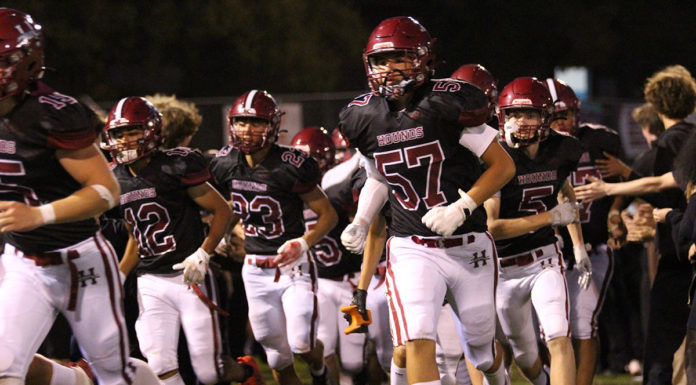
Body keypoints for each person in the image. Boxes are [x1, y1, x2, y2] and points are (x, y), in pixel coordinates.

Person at [338, 16, 515, 385]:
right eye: (380, 60)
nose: (388, 69)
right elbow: (378, 176)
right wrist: (361, 219)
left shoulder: (449, 102)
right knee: (417, 337)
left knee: (481, 351)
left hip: (468, 243)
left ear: (423, 59)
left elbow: (503, 166)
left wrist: (462, 206)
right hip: (411, 245)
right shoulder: (363, 116)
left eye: (399, 58)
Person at [0, 8, 162, 385]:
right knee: (4, 368)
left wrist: (37, 215)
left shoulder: (52, 113)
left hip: (80, 261)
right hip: (24, 261)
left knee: (112, 371)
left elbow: (106, 192)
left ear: (29, 62)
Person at [102, 96, 264, 385]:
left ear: (151, 132)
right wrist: (121, 274)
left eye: (133, 132)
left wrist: (203, 253)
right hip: (150, 281)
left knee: (209, 373)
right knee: (160, 365)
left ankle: (248, 371)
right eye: (118, 133)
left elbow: (222, 210)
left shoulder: (176, 165)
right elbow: (135, 234)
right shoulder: (116, 178)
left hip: (190, 277)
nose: (125, 140)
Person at [575, 65, 696, 385]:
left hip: (682, 251)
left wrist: (612, 188)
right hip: (684, 246)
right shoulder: (689, 138)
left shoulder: (673, 142)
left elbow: (662, 184)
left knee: (661, 342)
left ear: (656, 106)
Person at [209, 90, 339, 385]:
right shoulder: (226, 162)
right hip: (254, 269)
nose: (246, 129)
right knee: (277, 357)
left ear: (273, 126)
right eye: (241, 122)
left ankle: (319, 371)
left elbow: (327, 215)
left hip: (292, 267)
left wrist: (303, 242)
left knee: (302, 345)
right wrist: (222, 231)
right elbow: (236, 205)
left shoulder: (290, 165)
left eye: (255, 123)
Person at [483, 77, 589, 385]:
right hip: (503, 270)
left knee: (558, 336)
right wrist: (549, 218)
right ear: (502, 117)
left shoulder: (562, 148)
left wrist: (577, 245)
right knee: (527, 358)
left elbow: (565, 191)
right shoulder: (496, 158)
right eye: (514, 114)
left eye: (530, 114)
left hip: (544, 260)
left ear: (545, 117)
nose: (522, 122)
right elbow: (493, 227)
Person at [543, 77, 622, 385]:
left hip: (593, 247)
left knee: (583, 322)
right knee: (552, 329)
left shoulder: (599, 141)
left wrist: (615, 211)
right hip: (548, 254)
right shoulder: (535, 149)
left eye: (562, 116)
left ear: (575, 114)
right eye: (551, 117)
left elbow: (619, 183)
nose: (558, 123)